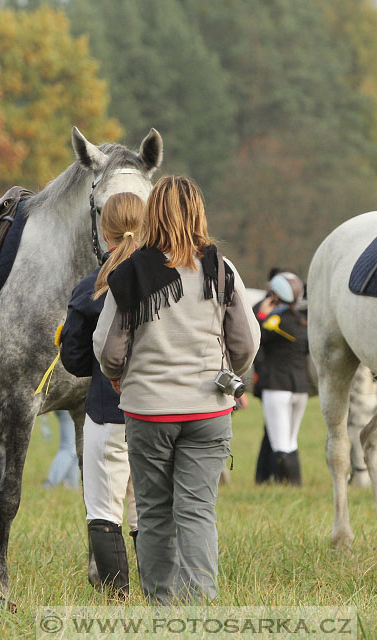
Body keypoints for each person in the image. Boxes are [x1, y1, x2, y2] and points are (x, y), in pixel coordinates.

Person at [93, 175, 260, 604]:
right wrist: (227, 373)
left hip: (148, 412)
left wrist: (119, 377)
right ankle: (201, 606)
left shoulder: (130, 272)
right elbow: (245, 343)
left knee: (153, 513)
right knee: (198, 511)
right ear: (198, 213)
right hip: (208, 411)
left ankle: (161, 607)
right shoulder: (220, 268)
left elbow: (110, 349)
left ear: (153, 215)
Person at [60, 192, 144, 599]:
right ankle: (158, 592)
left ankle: (117, 598)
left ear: (103, 232)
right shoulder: (169, 281)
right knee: (145, 508)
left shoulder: (91, 288)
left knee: (103, 510)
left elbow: (74, 359)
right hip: (157, 413)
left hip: (108, 413)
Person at [254, 271, 308, 485]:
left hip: (277, 386)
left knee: (280, 443)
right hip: (300, 388)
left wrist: (260, 316)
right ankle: (295, 485)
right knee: (291, 440)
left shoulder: (274, 320)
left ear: (275, 296)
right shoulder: (302, 321)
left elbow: (254, 339)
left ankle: (290, 487)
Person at [42, 410, 79, 490]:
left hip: (64, 407)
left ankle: (71, 486)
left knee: (75, 447)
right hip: (71, 404)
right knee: (68, 448)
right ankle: (50, 483)